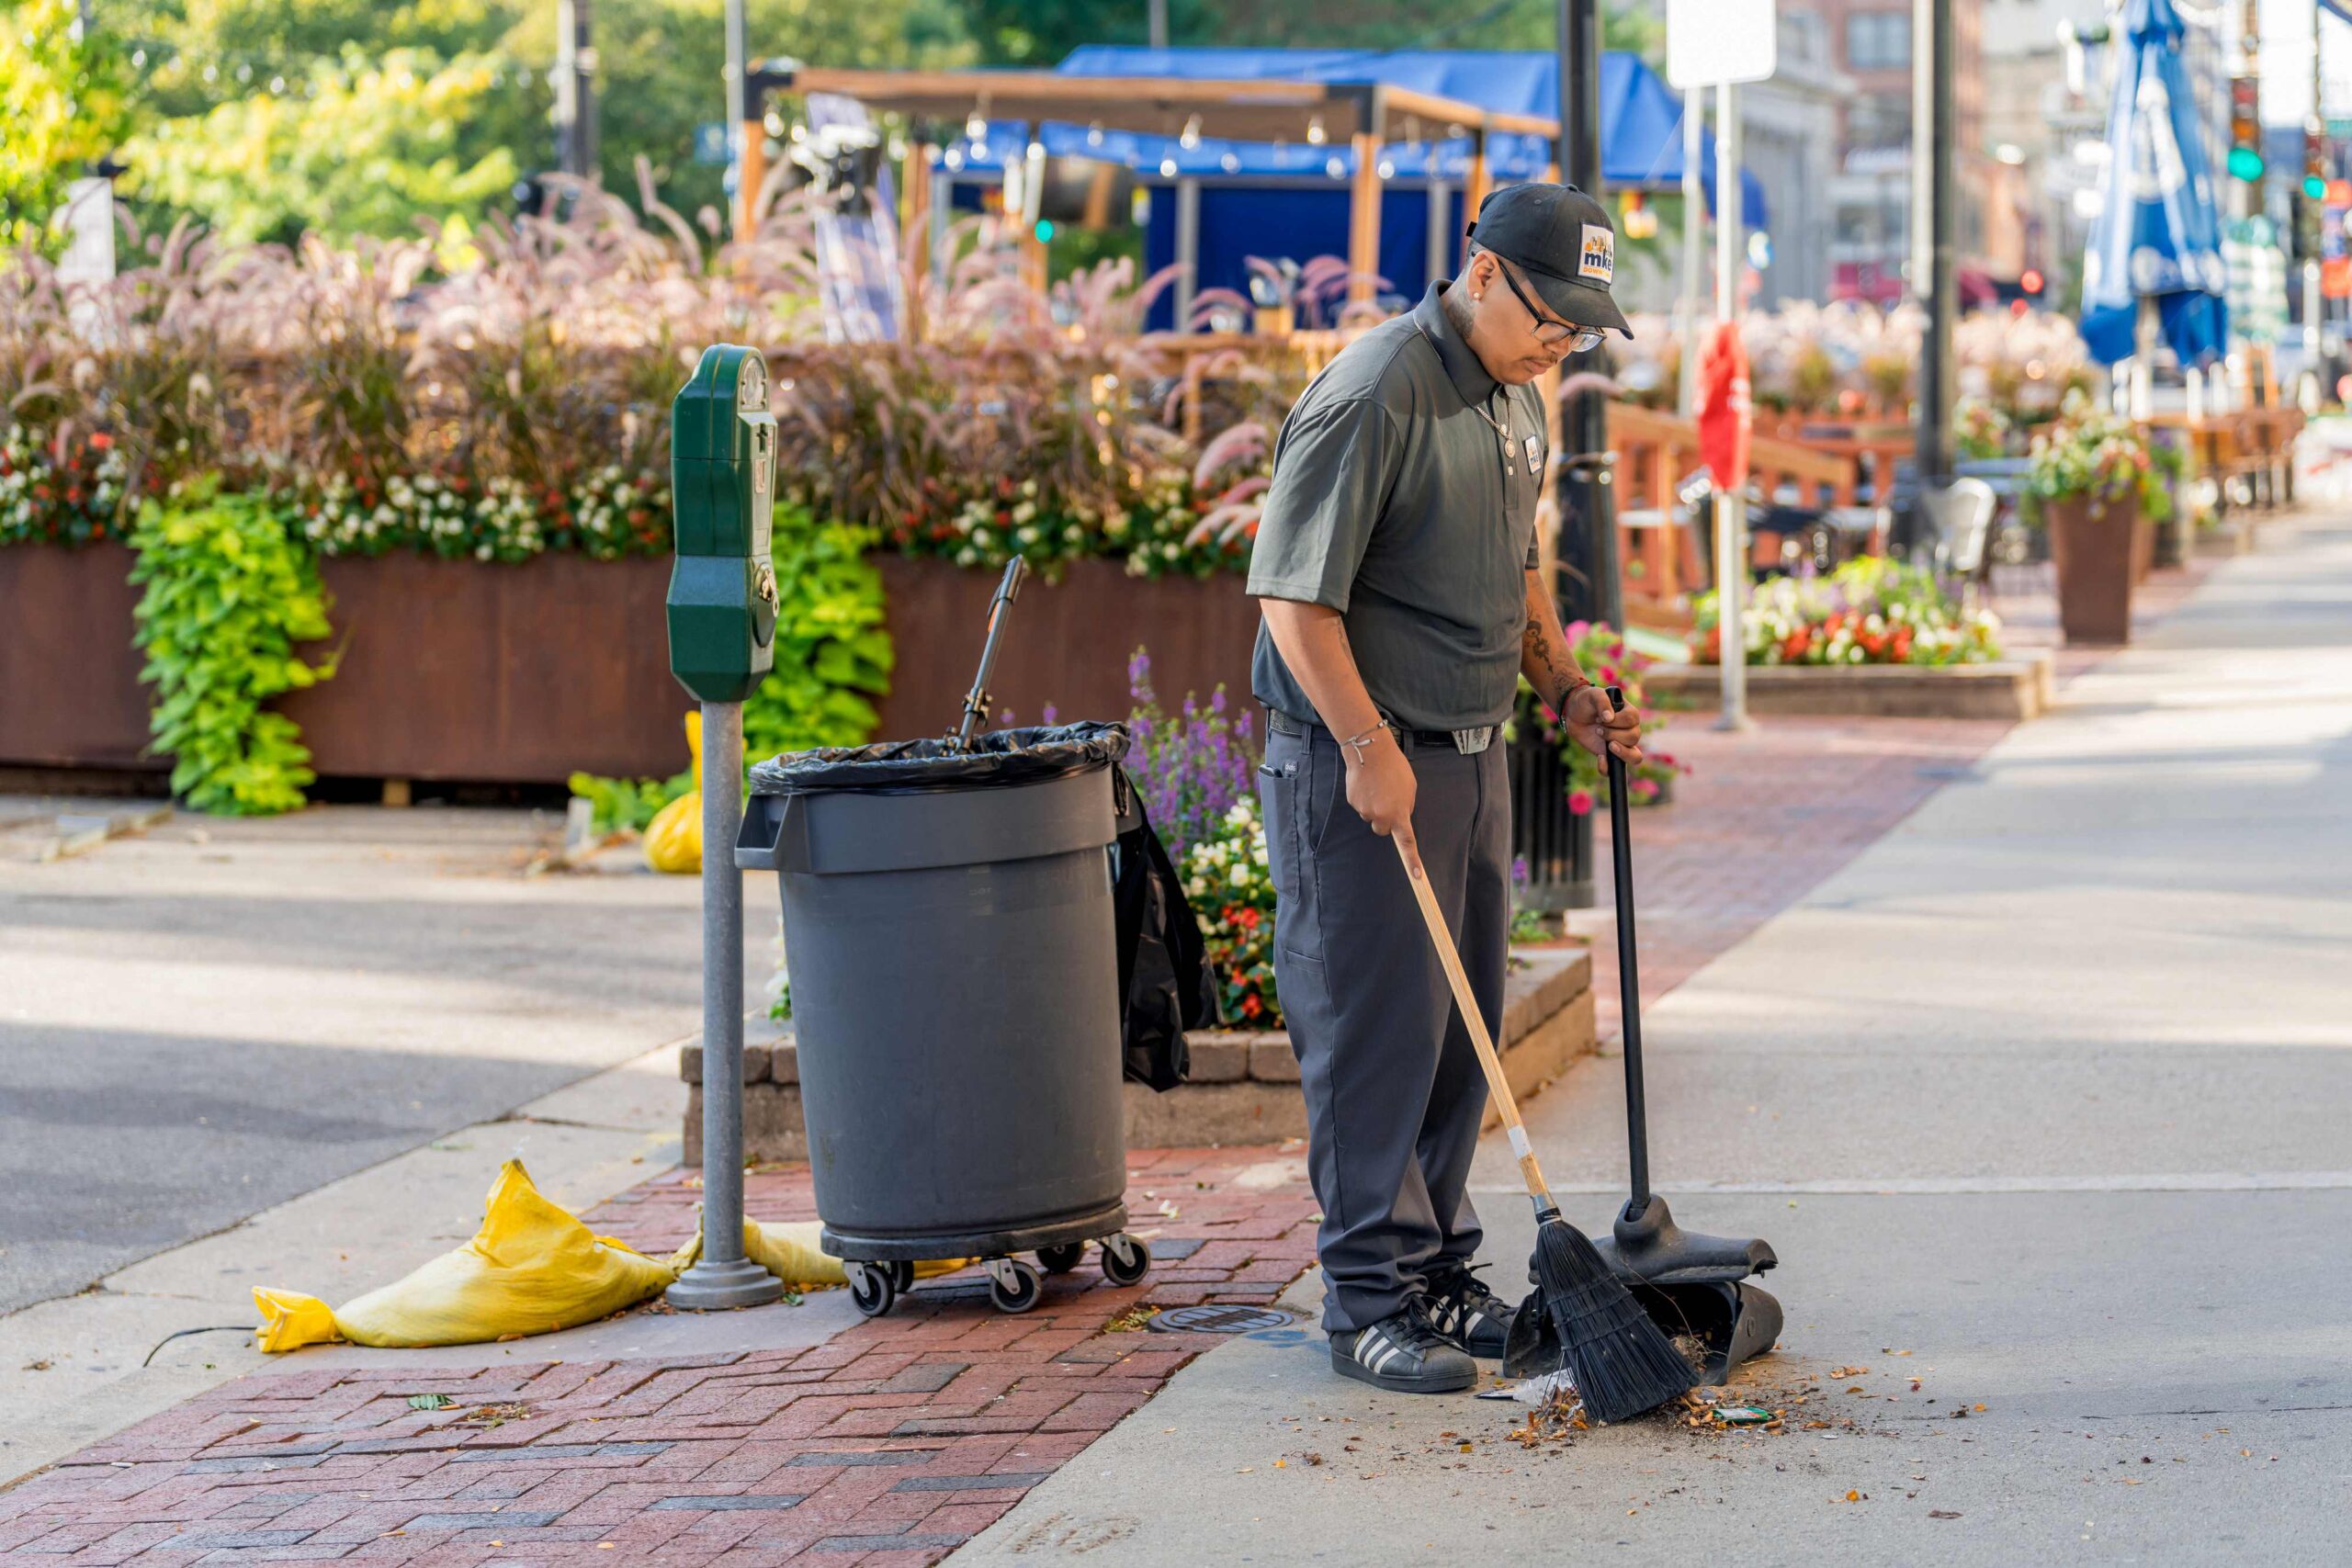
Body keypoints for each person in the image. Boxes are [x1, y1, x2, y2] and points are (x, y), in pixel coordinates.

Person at [1247, 184, 1646, 1394]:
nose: (1560, 342)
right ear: (1481, 273)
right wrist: (1367, 744)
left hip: (1473, 751)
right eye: (1549, 317)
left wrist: (1565, 686)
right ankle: (1367, 1303)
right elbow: (1293, 599)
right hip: (1363, 759)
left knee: (1455, 1036)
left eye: (1579, 328)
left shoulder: (1516, 395)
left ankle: (1436, 1274)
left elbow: (1518, 566)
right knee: (1373, 1036)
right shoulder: (1375, 393)